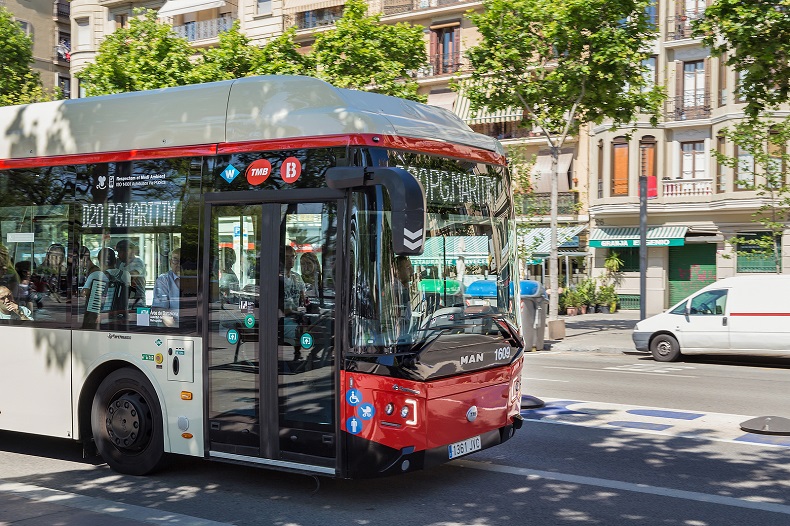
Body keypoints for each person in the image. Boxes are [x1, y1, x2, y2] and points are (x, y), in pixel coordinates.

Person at [81, 247, 130, 328]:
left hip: (100, 317)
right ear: (115, 260)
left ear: (99, 261)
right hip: (120, 317)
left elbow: (84, 293)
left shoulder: (95, 275)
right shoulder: (126, 274)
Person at [152, 248, 181, 327]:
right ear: (170, 262)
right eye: (175, 260)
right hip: (174, 327)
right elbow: (160, 309)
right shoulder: (163, 280)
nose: (179, 264)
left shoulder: (196, 279)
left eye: (182, 261)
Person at [116, 240, 146, 305]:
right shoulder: (122, 264)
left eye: (120, 252)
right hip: (125, 300)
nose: (118, 255)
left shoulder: (138, 262)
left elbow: (131, 276)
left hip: (137, 301)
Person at [282, 246, 305, 315]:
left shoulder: (297, 277)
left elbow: (303, 298)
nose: (290, 260)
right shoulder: (277, 278)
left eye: (292, 256)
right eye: (286, 257)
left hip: (296, 316)